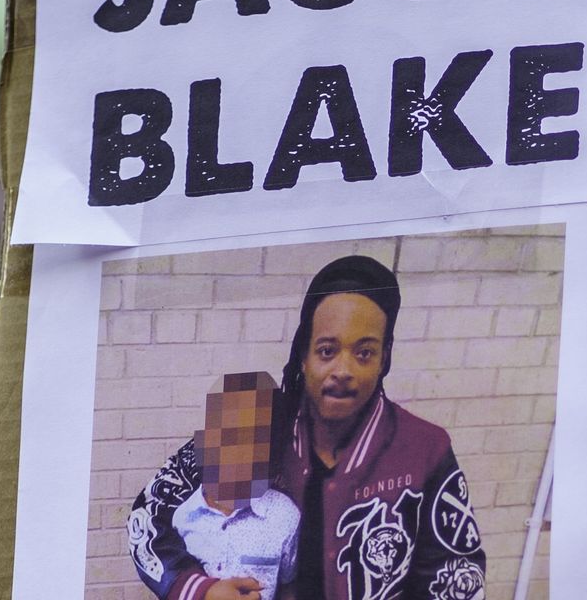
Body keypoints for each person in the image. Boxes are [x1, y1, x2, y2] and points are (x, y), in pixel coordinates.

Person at [127, 255, 487, 600]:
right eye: (327, 350)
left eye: (364, 352)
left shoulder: (424, 449)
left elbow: (456, 576)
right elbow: (149, 514)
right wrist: (197, 589)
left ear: (385, 357)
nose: (343, 370)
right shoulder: (254, 422)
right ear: (304, 353)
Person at [164, 372, 301, 600]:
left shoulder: (284, 516)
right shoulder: (183, 516)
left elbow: (290, 584)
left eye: (252, 434)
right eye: (225, 431)